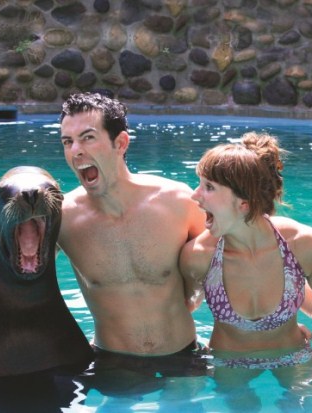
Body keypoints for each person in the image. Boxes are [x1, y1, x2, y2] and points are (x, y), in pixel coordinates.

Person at [179, 131, 312, 409]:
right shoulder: (199, 257)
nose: (195, 195)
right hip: (229, 361)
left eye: (208, 187)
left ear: (243, 203)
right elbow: (182, 311)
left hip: (291, 355)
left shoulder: (303, 244)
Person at [57, 92, 209, 392]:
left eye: (87, 138)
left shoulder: (178, 202)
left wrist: (274, 326)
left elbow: (232, 257)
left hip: (184, 357)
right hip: (112, 363)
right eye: (67, 141)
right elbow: (19, 284)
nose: (76, 151)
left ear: (121, 143)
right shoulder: (63, 220)